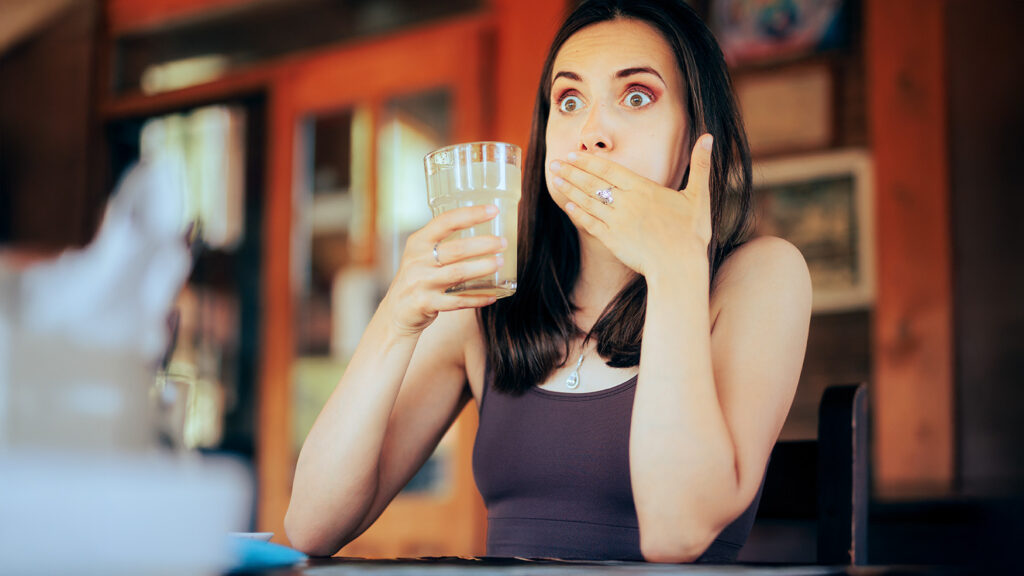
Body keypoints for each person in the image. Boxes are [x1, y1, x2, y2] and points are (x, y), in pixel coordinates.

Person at [285, 0, 811, 563]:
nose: (593, 133)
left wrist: (675, 262)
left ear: (696, 133)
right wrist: (395, 319)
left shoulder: (762, 276)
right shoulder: (486, 302)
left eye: (636, 96)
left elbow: (675, 533)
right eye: (569, 99)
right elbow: (312, 526)